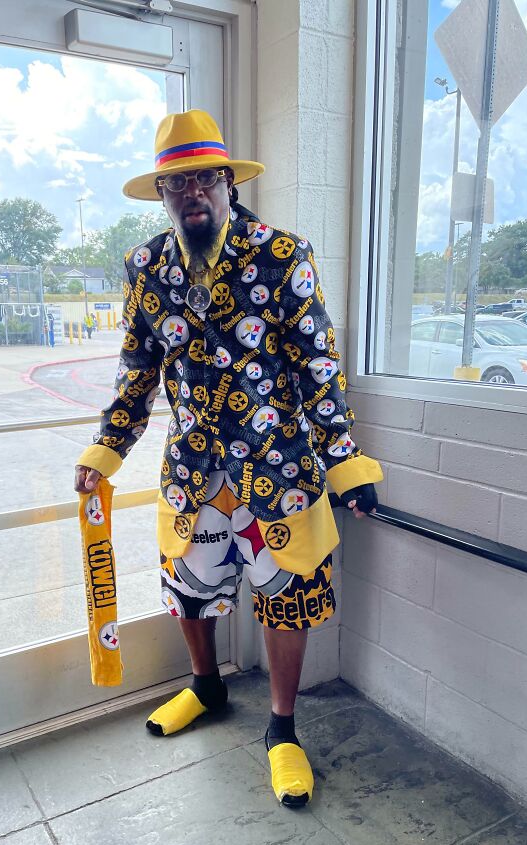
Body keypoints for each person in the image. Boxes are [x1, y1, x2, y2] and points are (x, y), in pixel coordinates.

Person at [74, 109, 382, 807]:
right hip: (193, 471)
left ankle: (281, 729)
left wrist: (345, 462)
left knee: (286, 599)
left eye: (203, 179)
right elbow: (136, 372)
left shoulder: (282, 254)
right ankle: (206, 687)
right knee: (190, 584)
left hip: (280, 471)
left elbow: (318, 368)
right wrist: (107, 450)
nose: (192, 194)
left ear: (226, 183)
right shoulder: (146, 266)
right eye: (175, 183)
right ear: (162, 194)